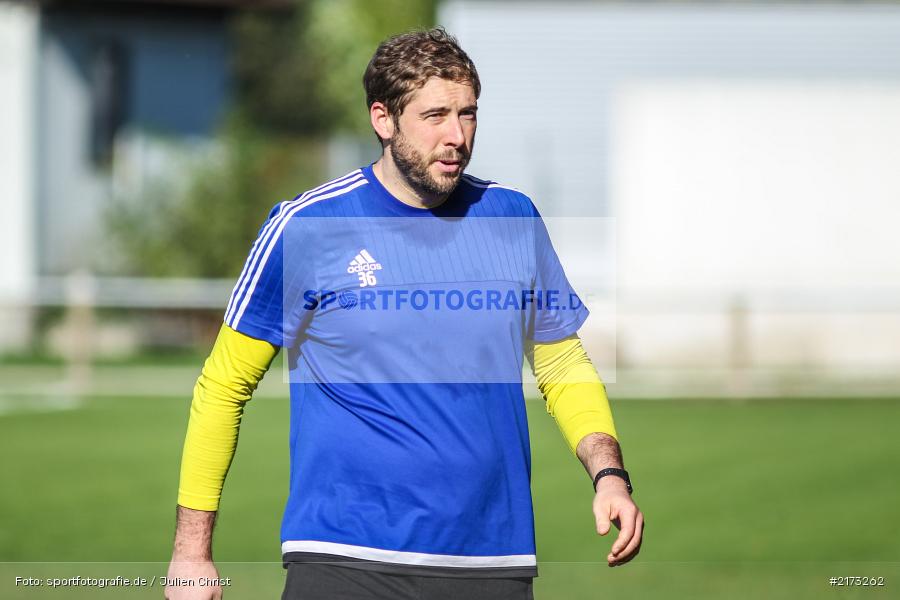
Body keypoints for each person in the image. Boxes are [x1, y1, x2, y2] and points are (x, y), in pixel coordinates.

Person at [165, 27, 643, 600]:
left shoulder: (512, 217)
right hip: (344, 558)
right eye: (435, 115)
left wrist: (609, 475)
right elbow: (223, 385)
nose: (456, 136)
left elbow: (561, 362)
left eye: (468, 114)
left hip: (493, 558)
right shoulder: (308, 226)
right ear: (383, 120)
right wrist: (192, 553)